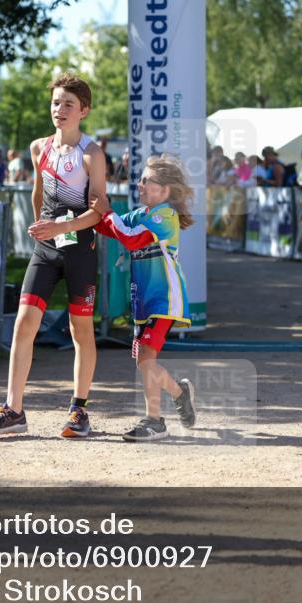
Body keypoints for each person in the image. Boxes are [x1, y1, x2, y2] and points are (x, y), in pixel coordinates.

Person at [0, 72, 109, 439]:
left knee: (79, 329)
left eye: (68, 104)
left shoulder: (92, 154)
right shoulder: (39, 148)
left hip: (81, 250)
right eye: (55, 103)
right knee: (24, 323)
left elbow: (99, 211)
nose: (59, 109)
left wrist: (61, 229)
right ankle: (14, 409)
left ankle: (79, 410)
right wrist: (42, 229)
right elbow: (38, 195)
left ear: (84, 110)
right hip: (46, 248)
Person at [92, 155, 196, 442]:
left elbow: (129, 238)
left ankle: (154, 421)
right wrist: (91, 207)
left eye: (146, 180)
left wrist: (107, 212)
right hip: (144, 302)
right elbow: (107, 227)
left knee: (147, 360)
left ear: (164, 190)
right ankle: (179, 392)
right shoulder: (142, 213)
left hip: (164, 300)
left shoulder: (165, 216)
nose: (139, 184)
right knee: (143, 362)